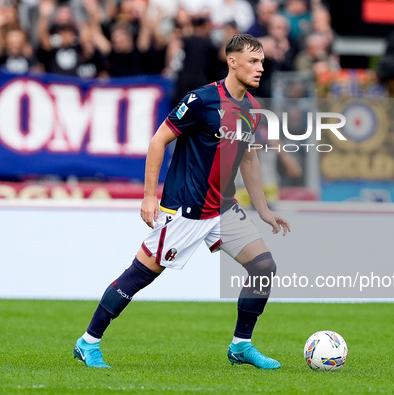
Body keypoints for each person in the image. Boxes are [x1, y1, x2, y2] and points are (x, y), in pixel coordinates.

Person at [73, 33, 290, 370]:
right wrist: (149, 196)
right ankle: (88, 342)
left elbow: (248, 158)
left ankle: (241, 346)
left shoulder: (253, 108)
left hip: (224, 208)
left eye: (262, 62)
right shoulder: (201, 100)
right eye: (253, 61)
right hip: (186, 209)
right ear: (232, 61)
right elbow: (158, 140)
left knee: (263, 267)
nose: (261, 68)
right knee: (140, 275)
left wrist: (262, 209)